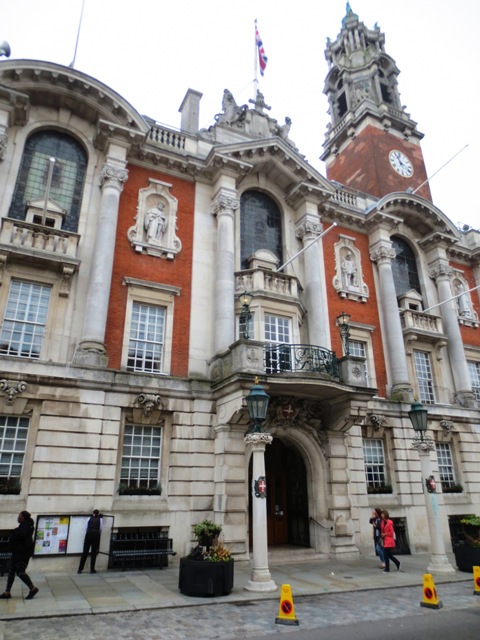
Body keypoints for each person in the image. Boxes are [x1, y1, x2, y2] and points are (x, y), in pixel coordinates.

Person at [0, 511, 39, 600]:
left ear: (23, 518)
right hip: (17, 551)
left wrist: (13, 536)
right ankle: (7, 592)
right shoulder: (25, 525)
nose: (18, 518)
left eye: (19, 516)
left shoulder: (26, 526)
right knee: (11, 571)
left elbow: (20, 535)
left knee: (20, 572)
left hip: (22, 553)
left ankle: (33, 589)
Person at [78, 509, 103, 574]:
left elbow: (86, 527)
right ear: (98, 513)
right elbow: (101, 529)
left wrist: (89, 531)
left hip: (88, 534)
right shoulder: (100, 519)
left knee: (85, 552)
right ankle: (92, 569)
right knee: (93, 553)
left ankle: (80, 569)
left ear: (93, 513)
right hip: (96, 535)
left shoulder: (89, 518)